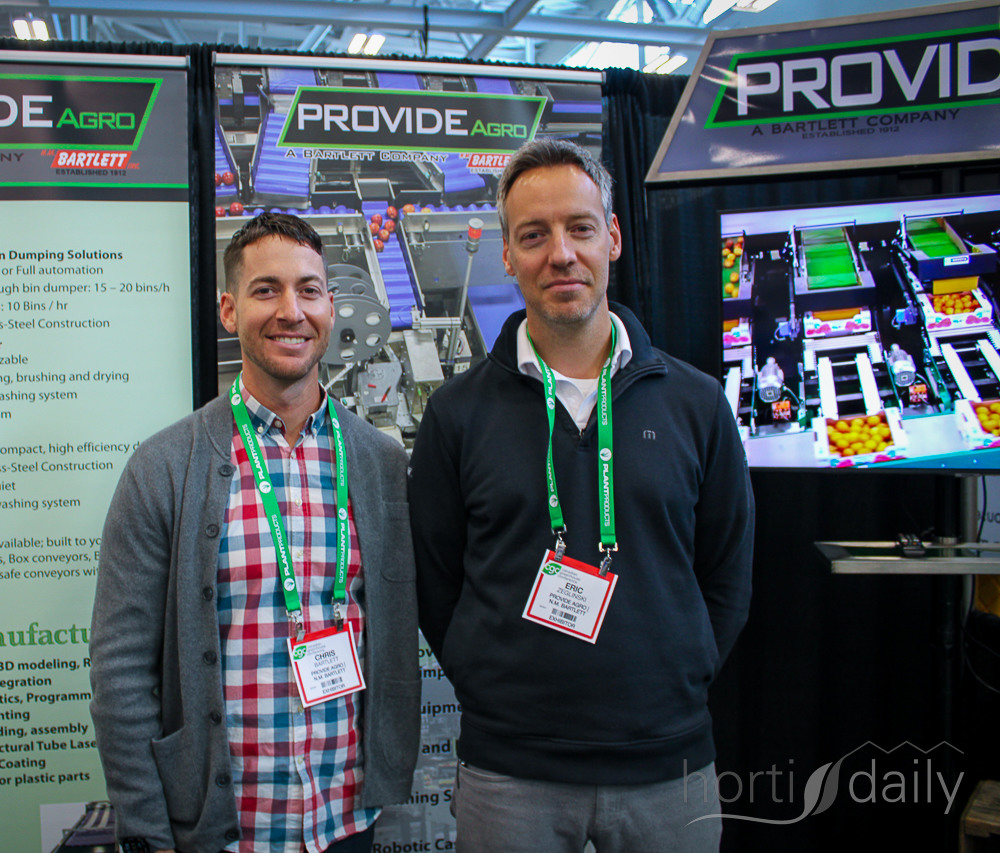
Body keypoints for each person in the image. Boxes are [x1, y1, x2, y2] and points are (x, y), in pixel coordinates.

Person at [409, 138, 753, 852]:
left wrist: (677, 676)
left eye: (580, 228)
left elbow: (728, 573)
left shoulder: (696, 404)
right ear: (508, 255)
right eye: (534, 235)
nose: (560, 254)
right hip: (510, 773)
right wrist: (489, 682)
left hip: (668, 765)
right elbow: (435, 583)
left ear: (613, 237)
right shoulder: (456, 414)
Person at [90, 212, 420, 853]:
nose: (291, 311)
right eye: (266, 290)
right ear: (229, 309)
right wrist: (149, 831)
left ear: (331, 307)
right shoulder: (165, 467)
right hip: (222, 832)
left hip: (347, 821)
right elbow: (121, 671)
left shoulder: (381, 463)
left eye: (309, 290)